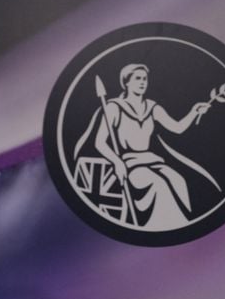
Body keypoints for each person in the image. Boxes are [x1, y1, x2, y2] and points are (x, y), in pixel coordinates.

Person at [90, 64, 215, 231]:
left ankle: (182, 227)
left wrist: (194, 112)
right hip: (131, 164)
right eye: (137, 78)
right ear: (126, 82)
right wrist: (117, 162)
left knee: (178, 180)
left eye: (145, 79)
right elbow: (99, 142)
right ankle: (162, 229)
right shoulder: (114, 107)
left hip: (152, 160)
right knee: (158, 184)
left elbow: (177, 128)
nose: (142, 82)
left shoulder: (152, 107)